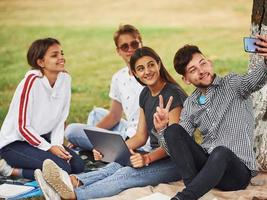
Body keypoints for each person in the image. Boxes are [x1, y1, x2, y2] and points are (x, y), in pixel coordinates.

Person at [35, 46, 187, 200]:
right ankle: (72, 181)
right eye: (141, 68)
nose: (147, 71)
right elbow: (141, 137)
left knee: (127, 173)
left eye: (151, 65)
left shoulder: (172, 95)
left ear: (159, 64)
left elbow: (175, 146)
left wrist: (147, 158)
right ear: (135, 73)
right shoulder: (145, 94)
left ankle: (73, 196)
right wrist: (111, 151)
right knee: (115, 166)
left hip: (177, 162)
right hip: (155, 154)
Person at [152, 35, 267, 200]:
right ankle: (195, 190)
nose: (201, 71)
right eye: (193, 70)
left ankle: (184, 198)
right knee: (173, 130)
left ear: (209, 62)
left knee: (221, 152)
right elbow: (178, 150)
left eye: (202, 63)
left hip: (236, 173)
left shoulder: (232, 84)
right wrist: (162, 130)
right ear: (186, 79)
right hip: (207, 168)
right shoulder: (191, 104)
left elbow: (253, 81)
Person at [0, 38, 85, 180]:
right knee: (63, 168)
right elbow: (22, 127)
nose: (61, 58)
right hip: (15, 143)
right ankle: (9, 170)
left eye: (61, 53)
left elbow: (61, 119)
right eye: (54, 55)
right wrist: (50, 148)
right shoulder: (31, 82)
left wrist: (57, 145)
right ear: (41, 62)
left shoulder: (65, 79)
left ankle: (31, 164)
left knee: (77, 166)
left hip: (42, 139)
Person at [65, 24, 151, 153]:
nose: (130, 49)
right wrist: (91, 133)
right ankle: (91, 147)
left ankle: (89, 150)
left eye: (134, 44)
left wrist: (84, 136)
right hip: (127, 128)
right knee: (96, 114)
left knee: (71, 130)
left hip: (139, 138)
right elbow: (114, 115)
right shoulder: (118, 77)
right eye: (124, 46)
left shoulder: (150, 75)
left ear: (141, 44)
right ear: (118, 51)